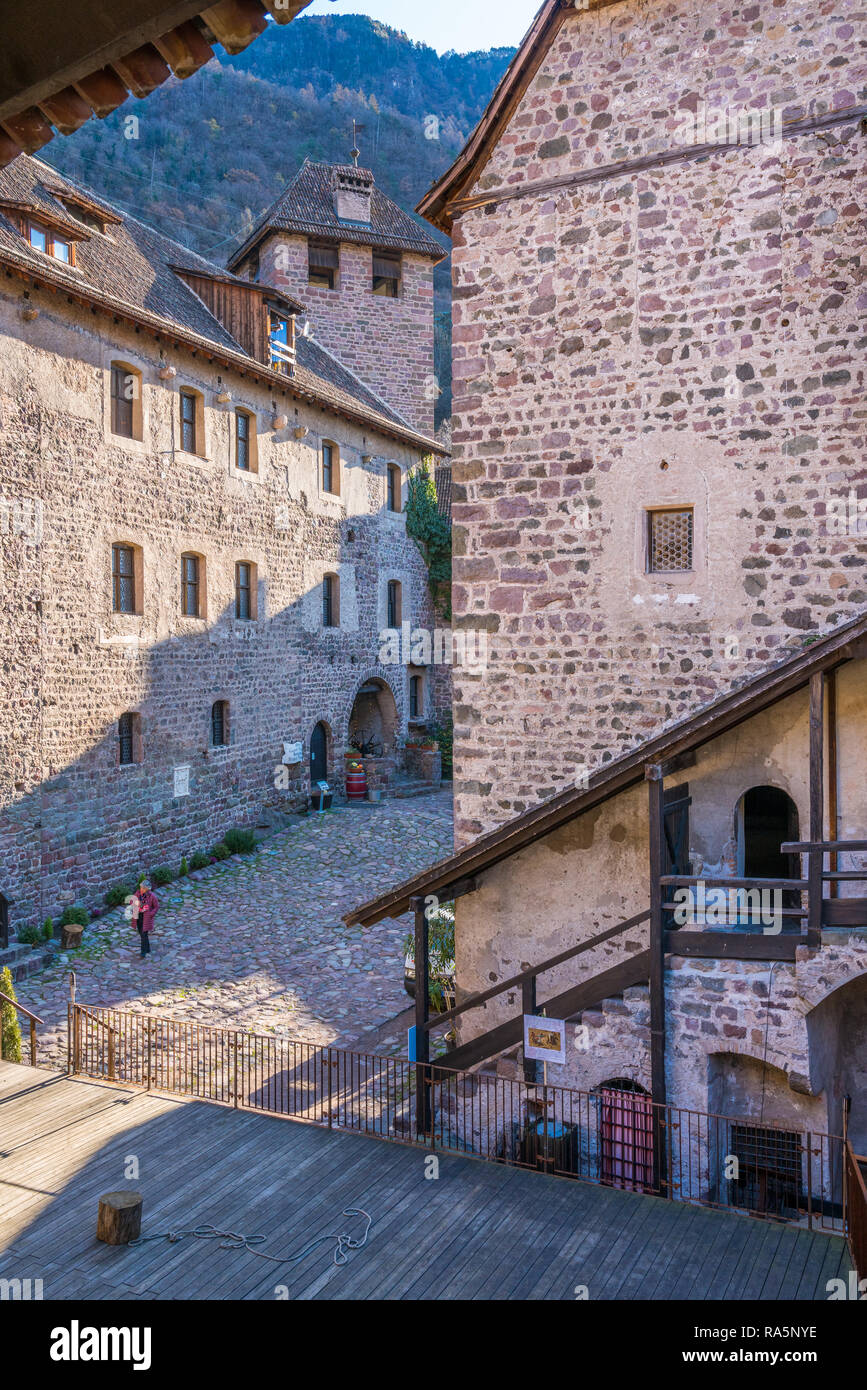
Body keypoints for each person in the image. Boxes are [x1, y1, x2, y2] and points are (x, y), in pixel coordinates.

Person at [131, 878, 159, 959]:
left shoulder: (152, 896)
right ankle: (147, 948)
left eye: (143, 888)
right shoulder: (137, 893)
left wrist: (151, 914)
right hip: (138, 916)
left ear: (147, 889)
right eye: (141, 887)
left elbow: (156, 907)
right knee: (141, 933)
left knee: (144, 934)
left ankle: (143, 952)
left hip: (146, 918)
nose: (141, 889)